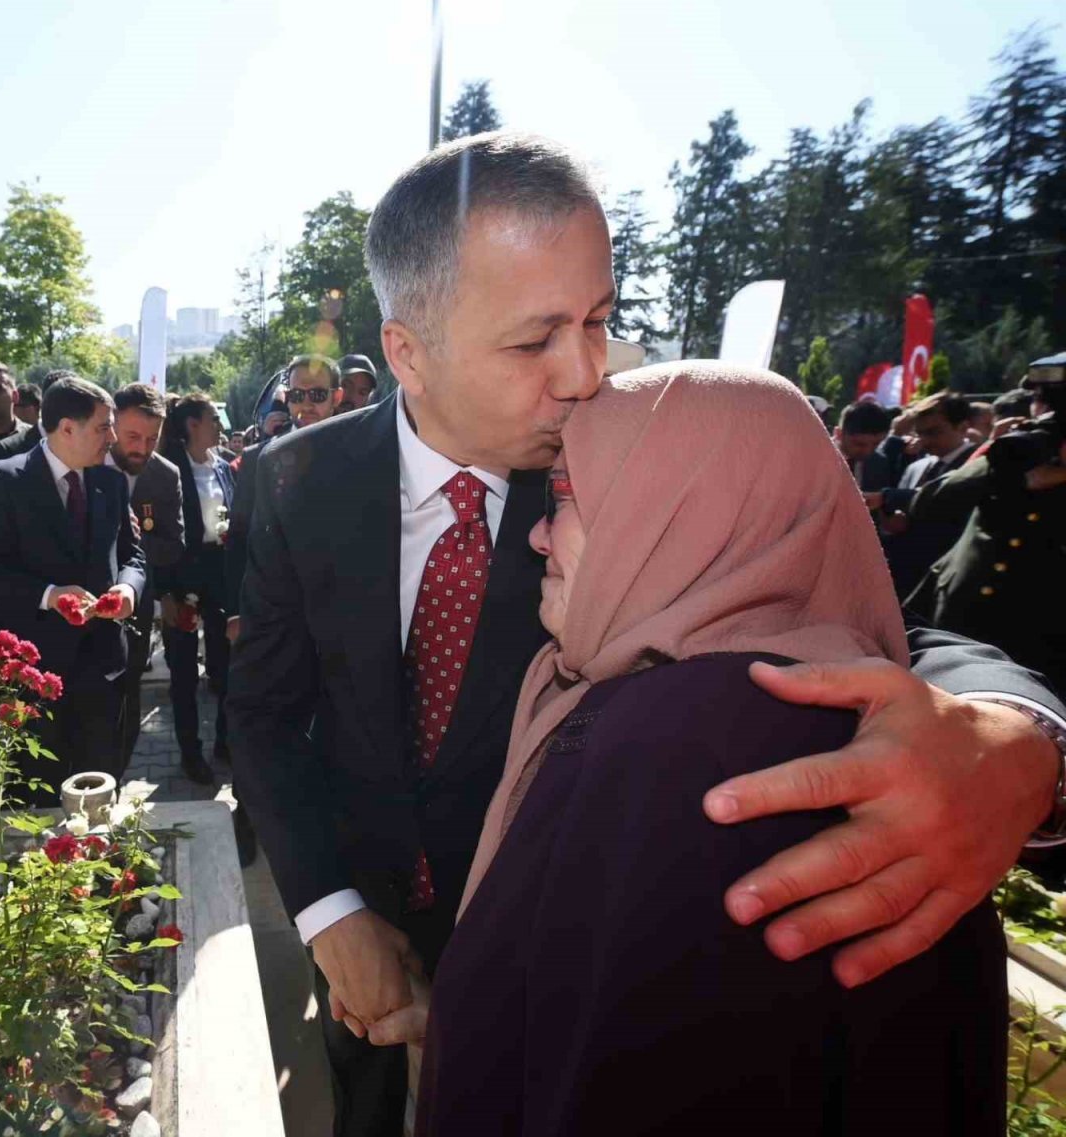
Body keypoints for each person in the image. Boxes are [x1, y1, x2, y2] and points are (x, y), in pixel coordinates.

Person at [225, 132, 1066, 1137]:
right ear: (407, 350)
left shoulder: (633, 456)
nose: (585, 375)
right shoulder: (294, 480)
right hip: (360, 933)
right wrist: (328, 913)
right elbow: (267, 715)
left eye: (597, 320)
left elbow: (845, 600)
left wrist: (1017, 735)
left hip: (576, 938)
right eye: (533, 341)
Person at [411, 363, 1007, 1136]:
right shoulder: (840, 713)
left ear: (682, 511)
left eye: (563, 499)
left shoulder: (677, 747)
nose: (534, 533)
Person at [0, 376, 145, 797]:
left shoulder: (110, 482)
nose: (113, 437)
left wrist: (128, 590)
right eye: (104, 427)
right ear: (67, 428)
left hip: (104, 664)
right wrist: (49, 594)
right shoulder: (2, 479)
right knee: (38, 792)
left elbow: (133, 556)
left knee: (100, 786)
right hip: (37, 667)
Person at [908, 355, 1066, 696]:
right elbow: (931, 502)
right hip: (967, 621)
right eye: (1042, 401)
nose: (1047, 414)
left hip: (1047, 640)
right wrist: (993, 457)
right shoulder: (1013, 453)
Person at [223, 356, 343, 637]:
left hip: (339, 618)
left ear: (336, 397)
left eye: (317, 394)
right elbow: (239, 539)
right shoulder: (257, 459)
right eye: (297, 395)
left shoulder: (358, 456)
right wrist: (235, 612)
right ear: (286, 398)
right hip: (272, 618)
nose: (306, 404)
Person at [108, 384, 185, 778]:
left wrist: (131, 543)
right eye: (132, 436)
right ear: (111, 425)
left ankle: (116, 779)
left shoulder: (164, 474)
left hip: (134, 615)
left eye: (152, 439)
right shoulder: (88, 461)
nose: (141, 448)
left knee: (127, 705)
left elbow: (173, 546)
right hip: (79, 613)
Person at [159, 393, 235, 784]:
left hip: (220, 574)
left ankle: (225, 741)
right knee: (185, 672)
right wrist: (165, 592)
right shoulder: (169, 469)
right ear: (192, 424)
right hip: (182, 577)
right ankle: (191, 753)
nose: (220, 424)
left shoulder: (223, 467)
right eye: (212, 417)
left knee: (226, 666)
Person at [871, 392, 977, 597]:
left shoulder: (977, 467)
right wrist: (892, 524)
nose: (925, 441)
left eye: (934, 432)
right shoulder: (917, 467)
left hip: (953, 585)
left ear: (963, 427)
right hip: (909, 585)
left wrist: (888, 497)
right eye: (920, 433)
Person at [833, 402, 893, 492]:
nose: (868, 451)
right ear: (839, 434)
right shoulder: (815, 459)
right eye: (859, 444)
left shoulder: (879, 463)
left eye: (876, 444)